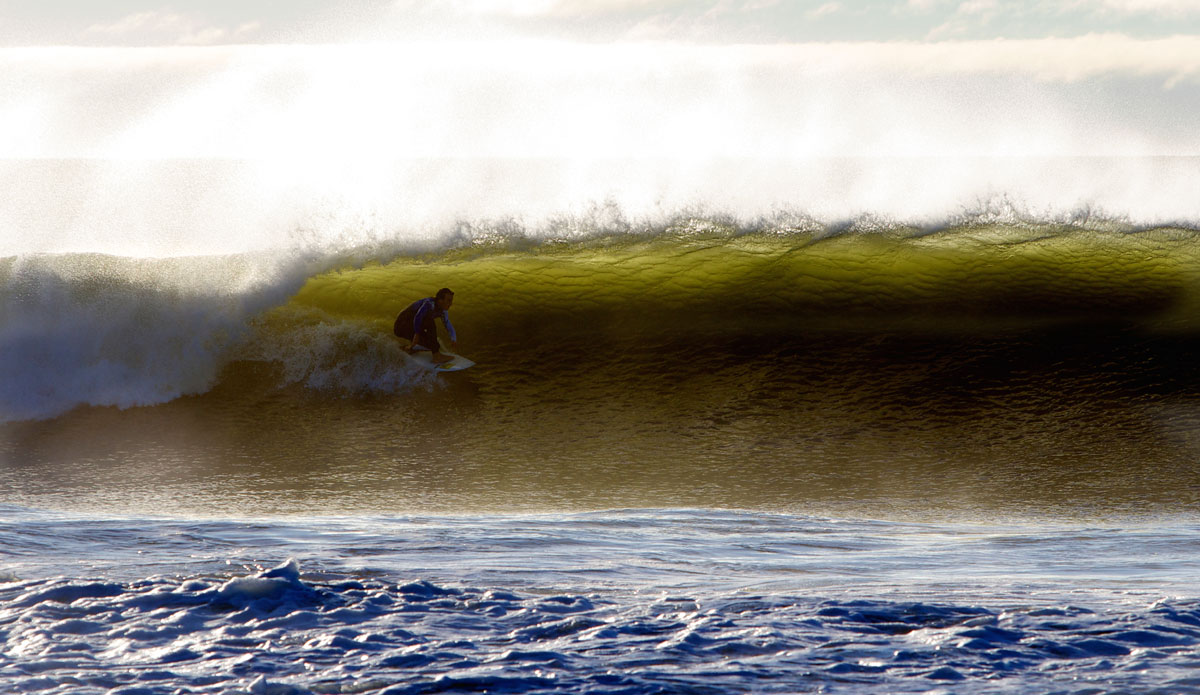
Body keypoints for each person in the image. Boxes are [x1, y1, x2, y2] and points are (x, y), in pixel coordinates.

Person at [394, 288, 457, 364]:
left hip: (412, 326)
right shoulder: (429, 304)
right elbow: (418, 317)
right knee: (430, 321)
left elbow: (447, 323)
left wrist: (453, 339)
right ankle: (436, 356)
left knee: (432, 344)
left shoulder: (443, 310)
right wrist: (417, 334)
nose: (451, 304)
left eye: (451, 301)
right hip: (401, 326)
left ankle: (408, 348)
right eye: (449, 301)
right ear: (440, 300)